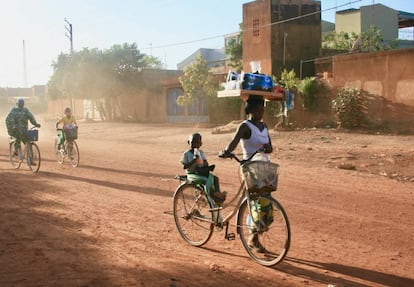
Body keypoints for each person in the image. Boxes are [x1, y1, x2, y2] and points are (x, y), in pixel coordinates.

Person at [219, 95, 273, 253]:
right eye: (258, 109)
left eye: (262, 109)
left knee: (266, 205)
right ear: (251, 110)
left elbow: (270, 146)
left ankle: (253, 235)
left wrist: (266, 148)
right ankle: (253, 237)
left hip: (265, 169)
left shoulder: (264, 126)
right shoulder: (245, 126)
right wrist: (226, 152)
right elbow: (233, 143)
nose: (261, 112)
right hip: (249, 168)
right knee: (256, 203)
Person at [181, 133, 226, 204]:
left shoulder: (201, 153)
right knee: (204, 182)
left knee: (215, 178)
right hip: (192, 174)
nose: (195, 145)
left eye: (197, 143)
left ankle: (217, 193)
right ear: (189, 142)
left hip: (201, 172)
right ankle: (212, 195)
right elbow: (184, 166)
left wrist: (207, 165)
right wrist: (194, 160)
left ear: (200, 144)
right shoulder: (186, 154)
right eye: (193, 143)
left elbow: (205, 163)